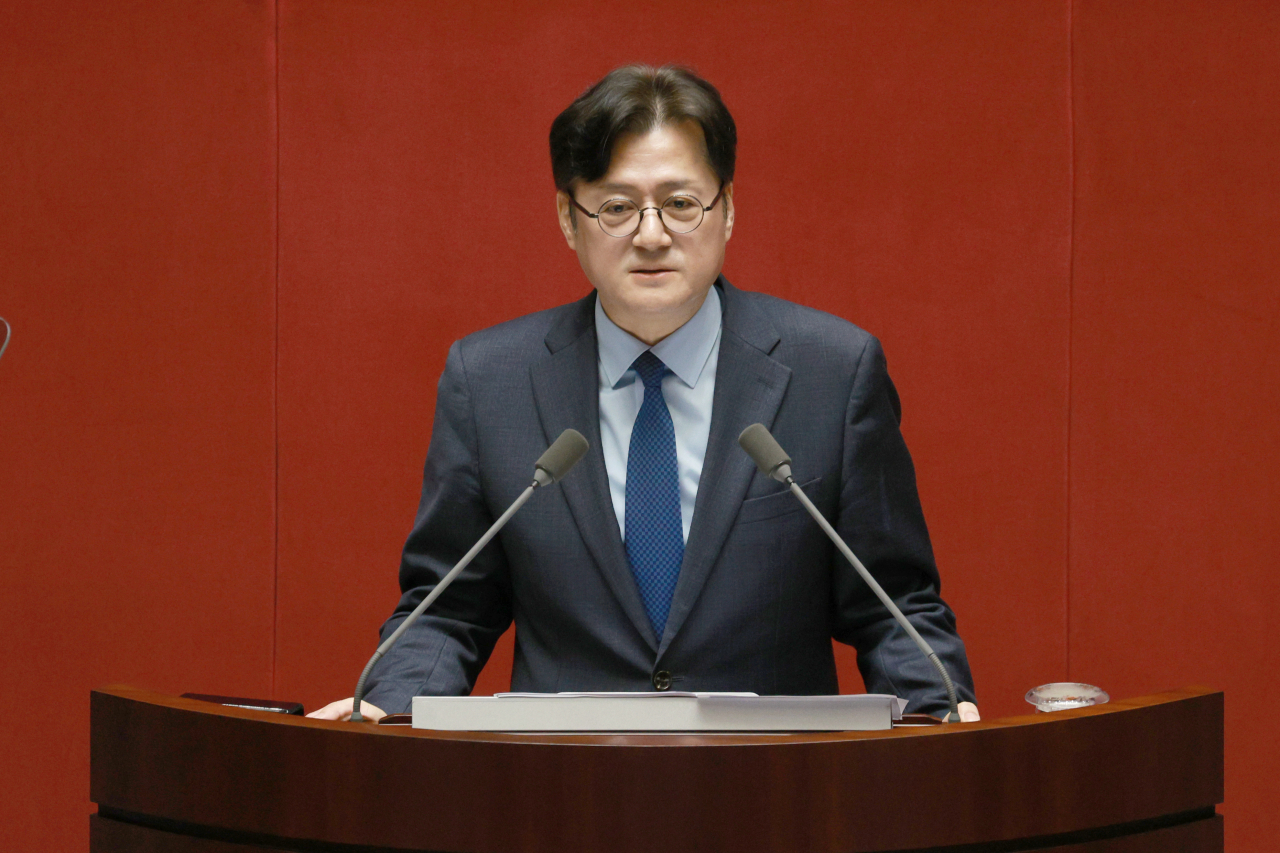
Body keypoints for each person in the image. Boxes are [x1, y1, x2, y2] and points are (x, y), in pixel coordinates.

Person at [310, 65, 979, 722]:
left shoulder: (833, 372)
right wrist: (388, 705)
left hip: (778, 798)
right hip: (564, 798)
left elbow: (894, 605)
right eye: (617, 207)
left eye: (681, 204)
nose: (652, 235)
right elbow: (448, 606)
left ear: (728, 210)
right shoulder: (490, 382)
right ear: (569, 221)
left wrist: (941, 713)